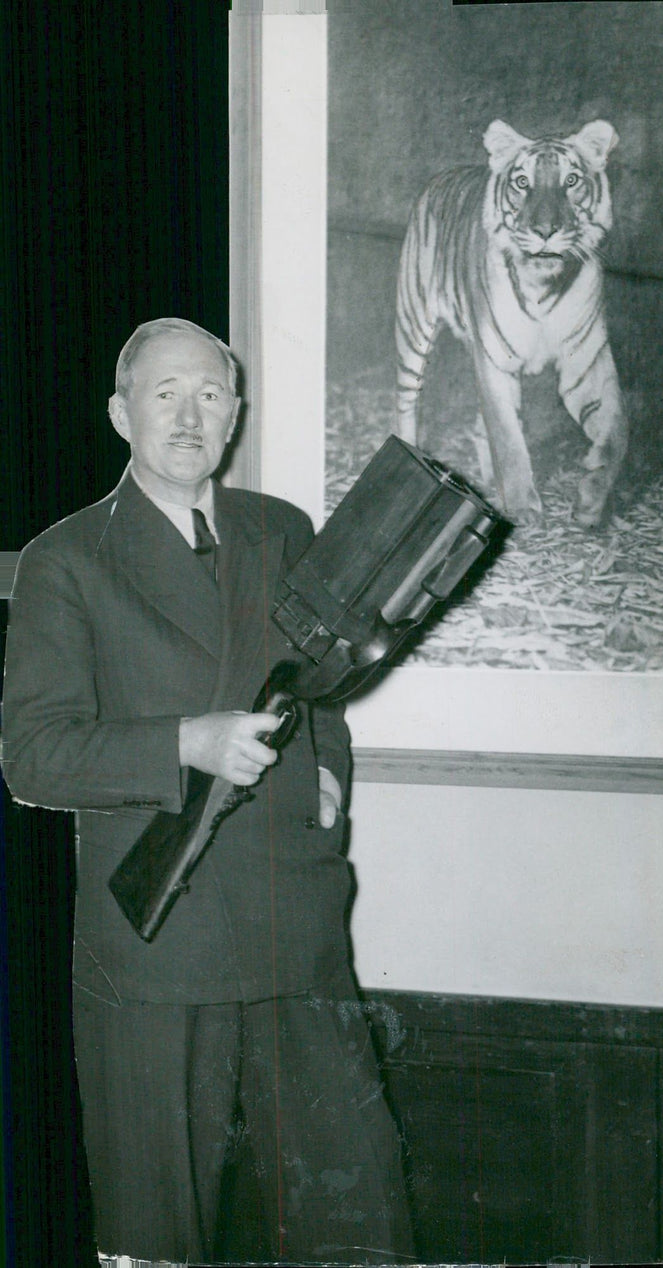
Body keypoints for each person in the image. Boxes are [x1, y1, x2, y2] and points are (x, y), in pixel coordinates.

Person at [1, 318, 414, 1264]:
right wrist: (187, 742)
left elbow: (327, 691)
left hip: (291, 922)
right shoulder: (66, 560)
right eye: (165, 393)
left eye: (212, 394)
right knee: (159, 1230)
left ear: (235, 414)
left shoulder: (284, 531)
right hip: (155, 948)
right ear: (120, 413)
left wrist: (327, 779)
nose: (190, 415)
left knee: (357, 1215)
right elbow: (32, 756)